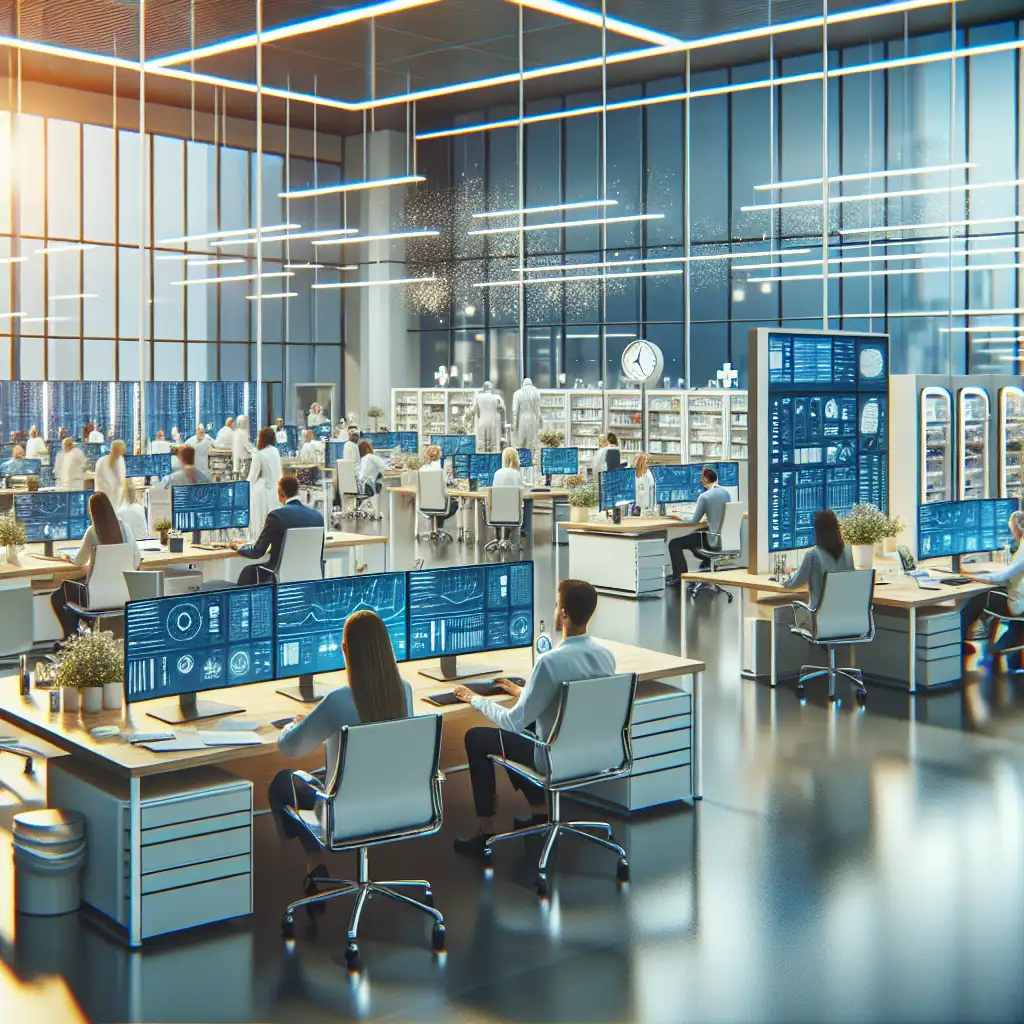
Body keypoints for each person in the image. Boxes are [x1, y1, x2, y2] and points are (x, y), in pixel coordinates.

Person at [452, 578, 616, 857]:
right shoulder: (605, 656)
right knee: (527, 726)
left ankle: (486, 831)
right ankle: (540, 812)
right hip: (593, 752)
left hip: (551, 756)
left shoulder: (550, 662)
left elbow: (513, 721)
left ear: (563, 613)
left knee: (478, 737)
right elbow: (567, 699)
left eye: (556, 605)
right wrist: (523, 691)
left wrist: (474, 699)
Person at [268, 610, 413, 868]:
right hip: (396, 807)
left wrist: (292, 724)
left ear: (346, 650)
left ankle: (315, 866)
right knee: (328, 773)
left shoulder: (338, 700)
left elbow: (291, 747)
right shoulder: (404, 691)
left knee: (283, 781)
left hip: (343, 815)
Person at [50, 492, 140, 640]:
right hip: (123, 595)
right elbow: (136, 563)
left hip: (95, 598)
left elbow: (79, 561)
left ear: (93, 512)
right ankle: (83, 633)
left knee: (58, 596)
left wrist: (67, 558)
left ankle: (71, 638)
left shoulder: (92, 532)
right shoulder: (126, 529)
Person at [230, 475, 323, 586]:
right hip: (310, 578)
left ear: (281, 492)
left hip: (279, 578)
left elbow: (257, 551)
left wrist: (238, 547)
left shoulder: (276, 516)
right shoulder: (317, 516)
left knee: (248, 572)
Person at [961, 510, 1024, 651]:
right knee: (992, 592)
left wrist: (971, 577)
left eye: (1012, 529)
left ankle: (958, 643)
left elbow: (1003, 577)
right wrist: (985, 575)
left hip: (1018, 606)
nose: (1012, 534)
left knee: (978, 599)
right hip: (1021, 599)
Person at [666, 467, 731, 585]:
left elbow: (694, 520)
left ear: (705, 480)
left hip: (711, 541)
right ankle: (706, 569)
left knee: (674, 543)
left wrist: (679, 518)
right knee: (696, 533)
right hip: (724, 540)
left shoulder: (704, 497)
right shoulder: (726, 494)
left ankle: (679, 577)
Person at [782, 509, 854, 609]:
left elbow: (796, 583)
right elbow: (852, 580)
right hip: (846, 612)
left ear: (817, 530)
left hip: (821, 615)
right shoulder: (848, 550)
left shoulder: (812, 555)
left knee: (782, 614)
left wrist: (783, 581)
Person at [247, 426, 283, 538]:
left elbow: (252, 477)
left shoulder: (260, 454)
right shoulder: (275, 451)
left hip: (262, 493)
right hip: (275, 492)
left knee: (261, 523)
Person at [418, 444, 458, 522]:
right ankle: (438, 528)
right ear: (439, 455)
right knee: (455, 503)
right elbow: (448, 483)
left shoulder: (421, 470)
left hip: (423, 506)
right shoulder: (440, 470)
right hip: (441, 506)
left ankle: (434, 529)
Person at [94, 440, 126, 510]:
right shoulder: (101, 462)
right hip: (104, 498)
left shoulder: (121, 460)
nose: (123, 452)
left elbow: (122, 480)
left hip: (117, 500)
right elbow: (99, 483)